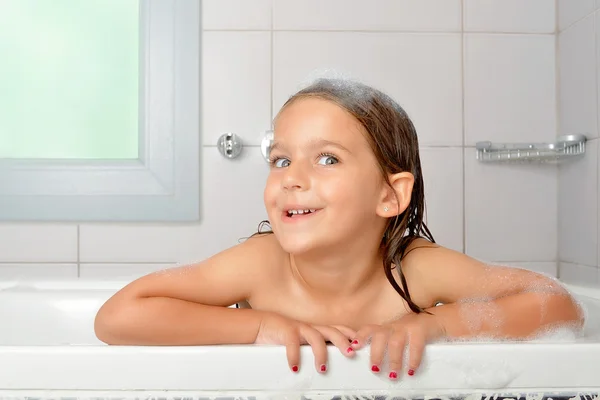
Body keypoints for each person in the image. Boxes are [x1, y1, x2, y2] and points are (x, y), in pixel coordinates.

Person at [94, 78, 584, 380]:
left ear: (390, 195)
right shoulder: (263, 265)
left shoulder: (413, 268)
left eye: (327, 158)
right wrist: (258, 325)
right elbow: (118, 316)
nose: (291, 177)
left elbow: (558, 305)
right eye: (280, 159)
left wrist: (432, 325)